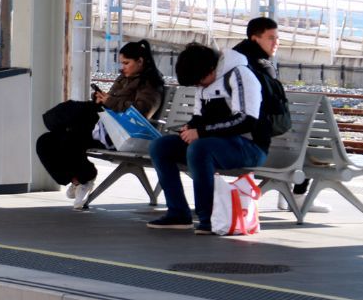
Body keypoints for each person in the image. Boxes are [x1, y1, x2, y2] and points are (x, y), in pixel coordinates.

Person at [147, 42, 268, 234]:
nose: (199, 85)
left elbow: (247, 120)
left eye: (200, 81)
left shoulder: (240, 75)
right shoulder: (204, 81)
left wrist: (201, 132)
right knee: (160, 147)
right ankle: (178, 213)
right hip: (216, 143)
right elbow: (199, 117)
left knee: (200, 148)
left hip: (249, 146)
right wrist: (190, 127)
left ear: (211, 68)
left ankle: (209, 218)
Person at [37, 40, 164, 209]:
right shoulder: (124, 78)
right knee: (46, 141)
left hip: (120, 135)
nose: (123, 67)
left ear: (140, 61)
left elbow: (141, 112)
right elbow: (113, 102)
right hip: (103, 126)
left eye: (126, 63)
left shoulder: (150, 83)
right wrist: (102, 99)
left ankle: (84, 176)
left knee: (74, 115)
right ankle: (80, 179)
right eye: (121, 63)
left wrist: (110, 101)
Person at [233, 17, 325, 214]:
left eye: (277, 38)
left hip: (237, 135)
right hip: (259, 145)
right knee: (312, 142)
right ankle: (298, 196)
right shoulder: (262, 66)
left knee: (300, 139)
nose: (276, 43)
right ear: (255, 38)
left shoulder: (233, 59)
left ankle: (288, 197)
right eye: (271, 38)